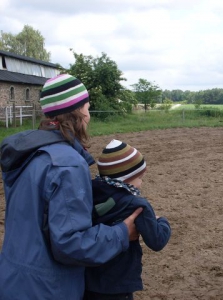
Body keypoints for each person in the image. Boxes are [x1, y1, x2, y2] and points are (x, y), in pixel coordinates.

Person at [0, 74, 142, 300]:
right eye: (86, 106)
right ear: (78, 112)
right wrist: (123, 233)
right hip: (46, 289)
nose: (88, 113)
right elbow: (71, 244)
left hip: (13, 280)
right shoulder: (67, 163)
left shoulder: (29, 154)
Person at [84, 139, 171, 300]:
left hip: (88, 278)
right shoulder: (137, 205)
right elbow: (157, 241)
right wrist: (162, 221)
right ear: (126, 179)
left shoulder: (89, 192)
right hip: (119, 281)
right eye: (140, 178)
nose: (141, 183)